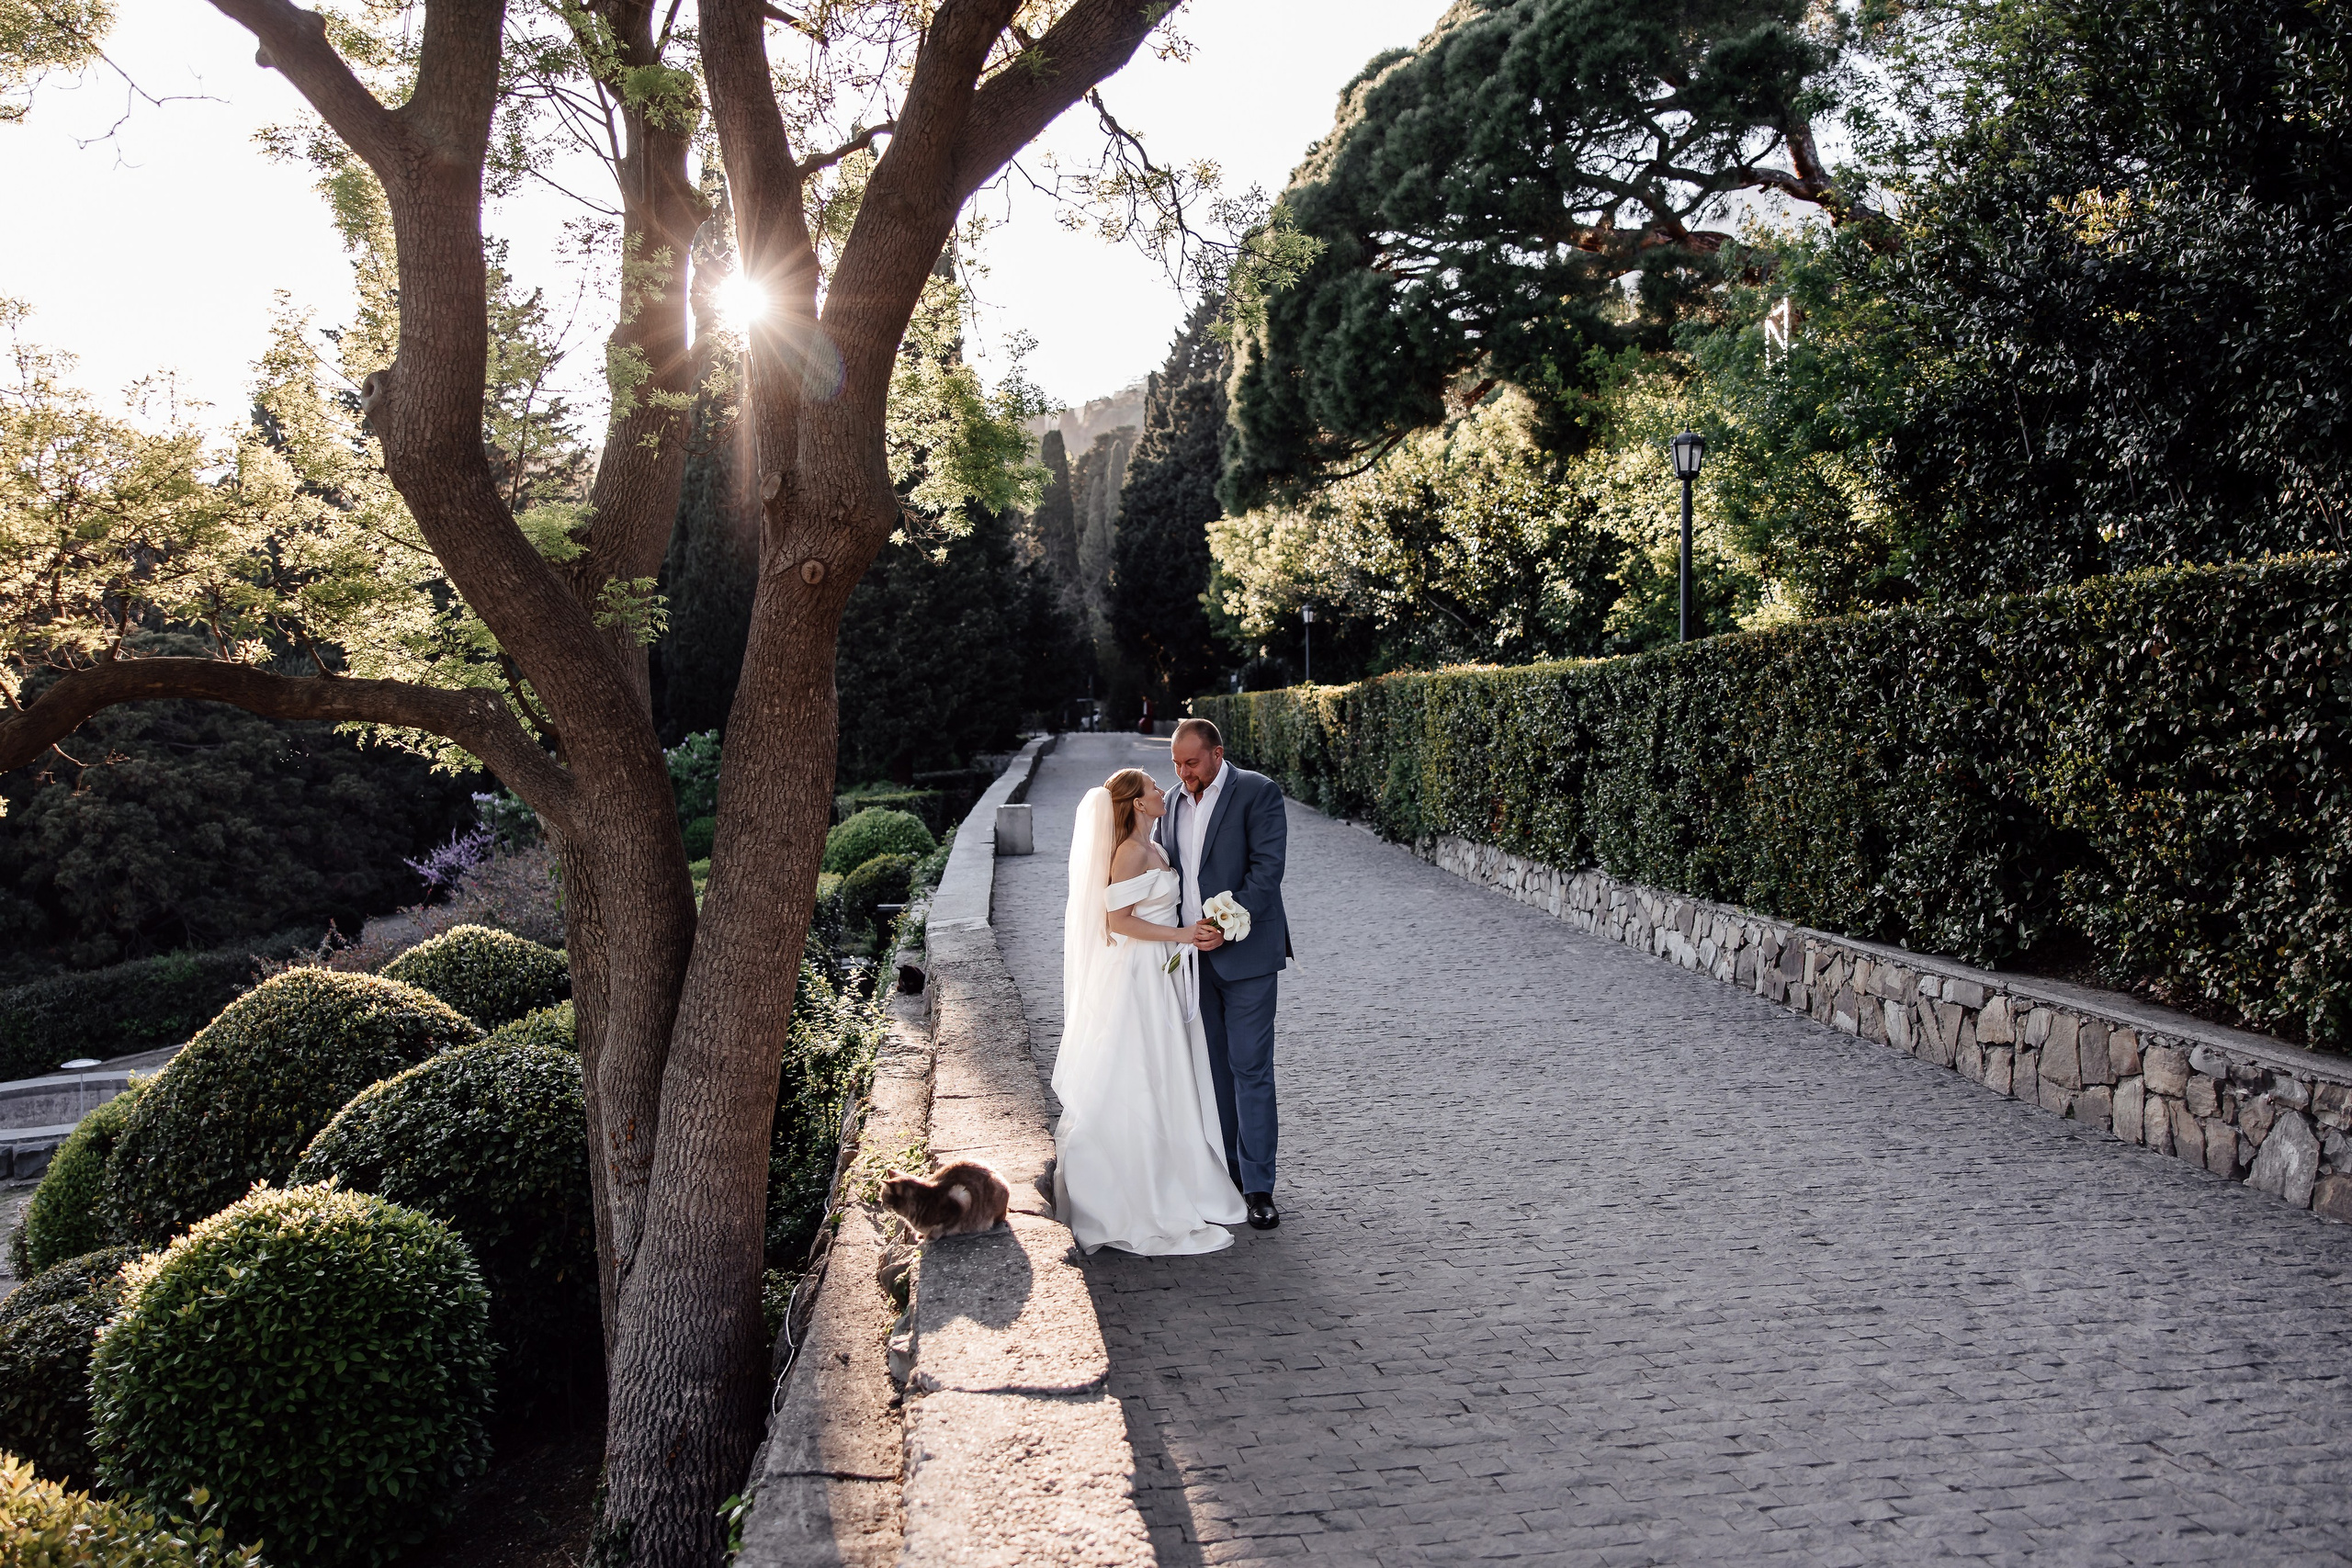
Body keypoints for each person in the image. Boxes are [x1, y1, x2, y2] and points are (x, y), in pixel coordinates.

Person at [1052, 768, 1248, 1255]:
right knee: (1137, 1065)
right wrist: (1183, 936)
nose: (1163, 792)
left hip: (1161, 968)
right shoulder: (1131, 852)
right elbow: (1117, 921)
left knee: (1163, 1068)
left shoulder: (1155, 846)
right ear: (1138, 803)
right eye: (1154, 788)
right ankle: (1134, 1186)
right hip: (1137, 972)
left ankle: (1174, 1168)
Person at [1155, 717, 1289, 1232]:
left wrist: (1223, 924)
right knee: (1212, 1073)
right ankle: (1228, 1180)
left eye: (1191, 762)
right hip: (1190, 963)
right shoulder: (1169, 803)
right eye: (1176, 764)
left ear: (1217, 753)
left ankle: (1258, 1188)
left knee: (1250, 1068)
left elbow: (1267, 871)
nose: (1183, 773)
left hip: (1248, 957)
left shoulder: (1258, 792)